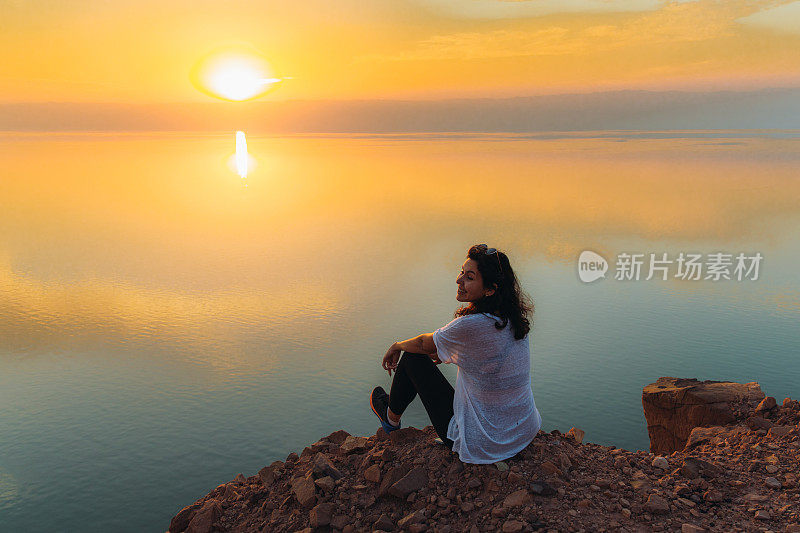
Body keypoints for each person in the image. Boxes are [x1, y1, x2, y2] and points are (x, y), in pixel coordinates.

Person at [369, 244, 542, 464]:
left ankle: (390, 419)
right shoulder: (513, 320)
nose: (459, 280)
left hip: (483, 444)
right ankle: (392, 416)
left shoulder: (471, 325)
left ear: (490, 289)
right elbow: (490, 359)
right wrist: (447, 351)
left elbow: (424, 344)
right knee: (423, 355)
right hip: (522, 432)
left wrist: (396, 346)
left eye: (469, 277)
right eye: (462, 272)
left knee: (412, 357)